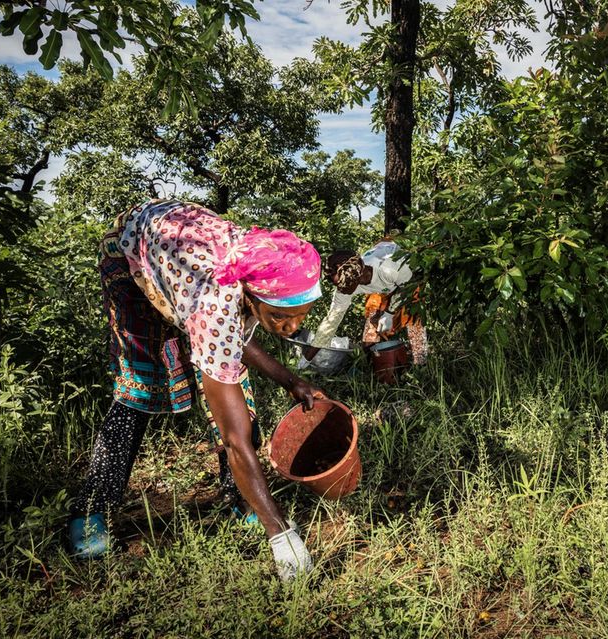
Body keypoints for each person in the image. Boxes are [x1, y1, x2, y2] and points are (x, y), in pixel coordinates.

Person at [68, 199, 325, 580]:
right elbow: (234, 437)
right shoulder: (215, 300)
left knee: (241, 398)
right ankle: (91, 511)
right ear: (250, 297)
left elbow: (234, 337)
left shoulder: (255, 264)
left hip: (183, 265)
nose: (290, 329)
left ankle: (240, 497)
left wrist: (291, 380)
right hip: (130, 256)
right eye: (281, 318)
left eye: (299, 318)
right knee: (139, 388)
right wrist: (281, 534)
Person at [301, 239, 428, 368]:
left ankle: (421, 364)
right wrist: (306, 359)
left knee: (413, 317)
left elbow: (409, 284)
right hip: (382, 286)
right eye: (337, 286)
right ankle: (377, 366)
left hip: (407, 278)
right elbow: (331, 323)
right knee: (372, 323)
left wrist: (390, 311)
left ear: (358, 276)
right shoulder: (344, 284)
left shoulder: (388, 268)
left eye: (343, 285)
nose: (341, 290)